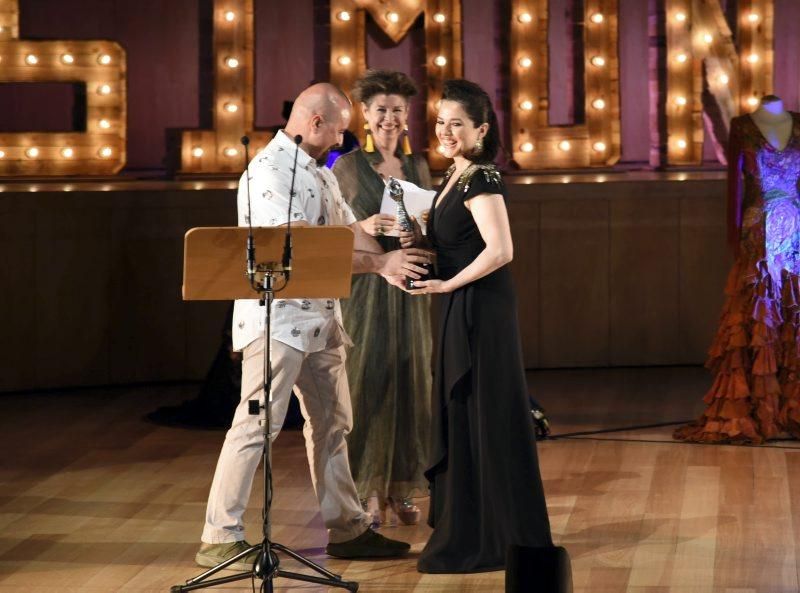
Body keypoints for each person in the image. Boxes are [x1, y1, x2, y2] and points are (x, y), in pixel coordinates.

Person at [195, 83, 432, 571]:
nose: (344, 139)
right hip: (277, 321)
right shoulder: (268, 172)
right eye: (340, 129)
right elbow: (299, 248)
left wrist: (394, 243)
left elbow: (350, 233)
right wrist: (380, 267)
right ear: (315, 121)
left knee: (333, 425)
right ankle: (220, 535)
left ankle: (347, 528)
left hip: (322, 320)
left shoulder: (318, 173)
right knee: (256, 425)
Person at [399, 79, 554, 573]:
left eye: (457, 124)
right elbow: (457, 243)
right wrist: (413, 236)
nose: (445, 131)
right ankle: (473, 524)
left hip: (479, 309)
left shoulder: (482, 177)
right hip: (460, 305)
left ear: (481, 129)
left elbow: (501, 250)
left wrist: (447, 286)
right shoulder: (456, 173)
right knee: (465, 414)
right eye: (441, 121)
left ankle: (494, 534)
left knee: (484, 414)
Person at [331, 70, 432, 523]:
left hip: (410, 286)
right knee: (365, 382)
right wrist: (366, 227)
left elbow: (431, 225)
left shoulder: (419, 167)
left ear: (407, 116)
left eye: (397, 110)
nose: (389, 119)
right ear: (364, 117)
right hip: (366, 288)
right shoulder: (347, 167)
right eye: (380, 111)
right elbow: (329, 233)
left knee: (411, 382)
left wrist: (419, 237)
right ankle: (365, 492)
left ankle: (400, 488)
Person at [674, 95, 800, 444]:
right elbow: (737, 188)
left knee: (795, 312)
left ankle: (791, 408)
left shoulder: (799, 123)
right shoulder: (742, 126)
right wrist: (735, 238)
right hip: (758, 231)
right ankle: (759, 409)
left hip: (796, 230)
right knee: (759, 314)